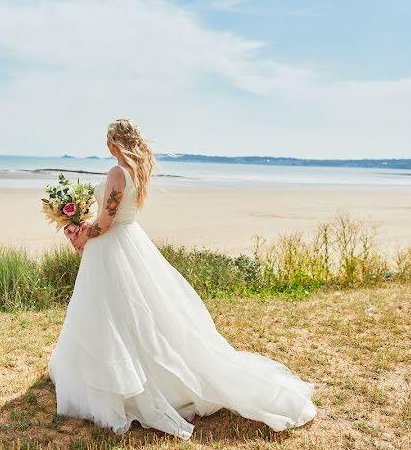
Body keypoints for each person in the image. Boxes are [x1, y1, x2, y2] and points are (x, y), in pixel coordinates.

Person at [48, 118, 317, 440]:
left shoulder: (117, 172)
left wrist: (81, 235)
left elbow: (106, 221)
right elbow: (114, 215)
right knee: (137, 312)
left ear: (112, 144)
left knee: (110, 311)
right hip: (131, 240)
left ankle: (122, 383)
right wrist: (84, 226)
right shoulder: (138, 171)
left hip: (113, 245)